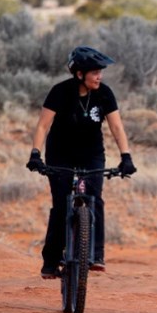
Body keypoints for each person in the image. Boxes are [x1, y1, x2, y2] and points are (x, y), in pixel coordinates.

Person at [26, 46, 137, 279]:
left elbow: (116, 126)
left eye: (100, 72)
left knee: (95, 199)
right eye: (94, 72)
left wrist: (126, 156)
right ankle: (51, 260)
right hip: (60, 154)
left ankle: (96, 255)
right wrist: (35, 153)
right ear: (79, 74)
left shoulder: (105, 93)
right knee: (61, 205)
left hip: (91, 154)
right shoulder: (60, 92)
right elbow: (43, 125)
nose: (99, 76)